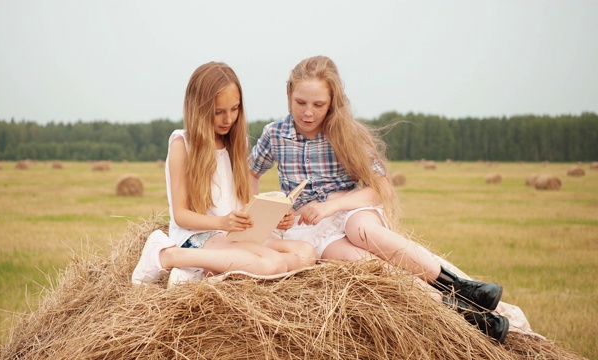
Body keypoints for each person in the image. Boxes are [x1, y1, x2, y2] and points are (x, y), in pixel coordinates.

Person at [248, 55, 509, 343]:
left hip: (349, 208)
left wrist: (331, 205)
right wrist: (269, 213)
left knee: (362, 232)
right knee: (368, 266)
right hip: (311, 228)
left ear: (333, 102)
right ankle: (466, 316)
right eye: (300, 103)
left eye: (318, 105)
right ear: (289, 95)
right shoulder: (274, 134)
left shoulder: (346, 133)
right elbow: (251, 172)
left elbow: (380, 187)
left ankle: (462, 287)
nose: (308, 112)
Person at [132, 61, 316, 287]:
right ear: (199, 108)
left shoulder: (236, 145)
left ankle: (206, 272)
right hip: (198, 237)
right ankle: (169, 256)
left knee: (306, 253)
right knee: (272, 265)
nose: (228, 119)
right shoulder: (183, 144)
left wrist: (274, 218)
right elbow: (180, 215)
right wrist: (222, 221)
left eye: (234, 109)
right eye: (218, 112)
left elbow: (244, 205)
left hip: (232, 236)